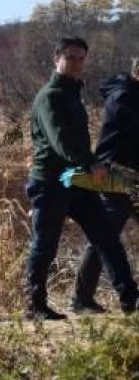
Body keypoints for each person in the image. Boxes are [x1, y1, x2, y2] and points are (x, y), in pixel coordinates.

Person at [24, 39, 136, 320]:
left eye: (80, 58)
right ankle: (35, 305)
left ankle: (130, 299)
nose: (75, 62)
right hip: (51, 182)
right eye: (69, 57)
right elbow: (61, 141)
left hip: (77, 181)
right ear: (56, 59)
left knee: (107, 239)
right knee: (44, 245)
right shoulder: (50, 96)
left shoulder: (73, 94)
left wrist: (86, 166)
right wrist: (91, 163)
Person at [76, 57, 139, 312]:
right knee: (105, 235)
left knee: (105, 235)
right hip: (115, 175)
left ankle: (83, 297)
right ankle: (83, 298)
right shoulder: (123, 96)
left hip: (129, 175)